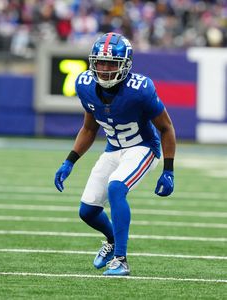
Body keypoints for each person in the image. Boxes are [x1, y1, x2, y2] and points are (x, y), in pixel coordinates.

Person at [54, 32, 176, 276]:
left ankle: (121, 259)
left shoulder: (140, 89)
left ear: (126, 65)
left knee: (117, 187)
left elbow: (166, 127)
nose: (105, 69)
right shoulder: (85, 84)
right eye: (100, 62)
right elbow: (89, 128)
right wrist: (69, 161)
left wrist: (169, 170)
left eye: (112, 63)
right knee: (87, 210)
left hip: (143, 147)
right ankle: (111, 240)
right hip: (113, 148)